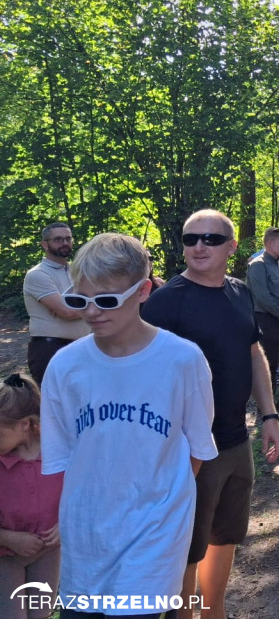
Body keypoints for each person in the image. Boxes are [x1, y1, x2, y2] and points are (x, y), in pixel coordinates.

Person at [40, 233, 218, 618]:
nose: (91, 312)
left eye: (105, 300)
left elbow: (198, 450)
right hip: (86, 537)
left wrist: (161, 503)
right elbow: (60, 458)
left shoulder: (182, 361)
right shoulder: (65, 367)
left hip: (155, 538)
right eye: (79, 300)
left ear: (143, 291)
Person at [141, 209, 279, 619]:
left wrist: (270, 415)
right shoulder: (164, 303)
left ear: (232, 247)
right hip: (186, 449)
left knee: (225, 536)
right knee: (187, 546)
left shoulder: (239, 291)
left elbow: (252, 350)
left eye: (210, 239)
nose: (199, 246)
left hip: (235, 439)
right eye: (190, 239)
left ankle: (213, 612)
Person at [0, 373, 62, 619]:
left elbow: (80, 493)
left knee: (42, 613)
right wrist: (8, 538)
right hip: (6, 557)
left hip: (49, 551)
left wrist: (65, 523)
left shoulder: (58, 451)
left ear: (24, 424)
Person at [22, 222, 89, 383]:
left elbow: (79, 306)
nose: (65, 243)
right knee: (52, 404)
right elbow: (66, 312)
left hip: (83, 347)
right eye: (58, 239)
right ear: (44, 244)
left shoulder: (79, 272)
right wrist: (89, 306)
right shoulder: (38, 274)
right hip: (50, 349)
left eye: (68, 239)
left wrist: (77, 307)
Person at [247, 228, 279, 385]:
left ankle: (271, 403)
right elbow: (262, 297)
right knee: (266, 363)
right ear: (269, 243)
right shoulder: (257, 265)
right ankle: (264, 408)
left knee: (275, 362)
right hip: (265, 320)